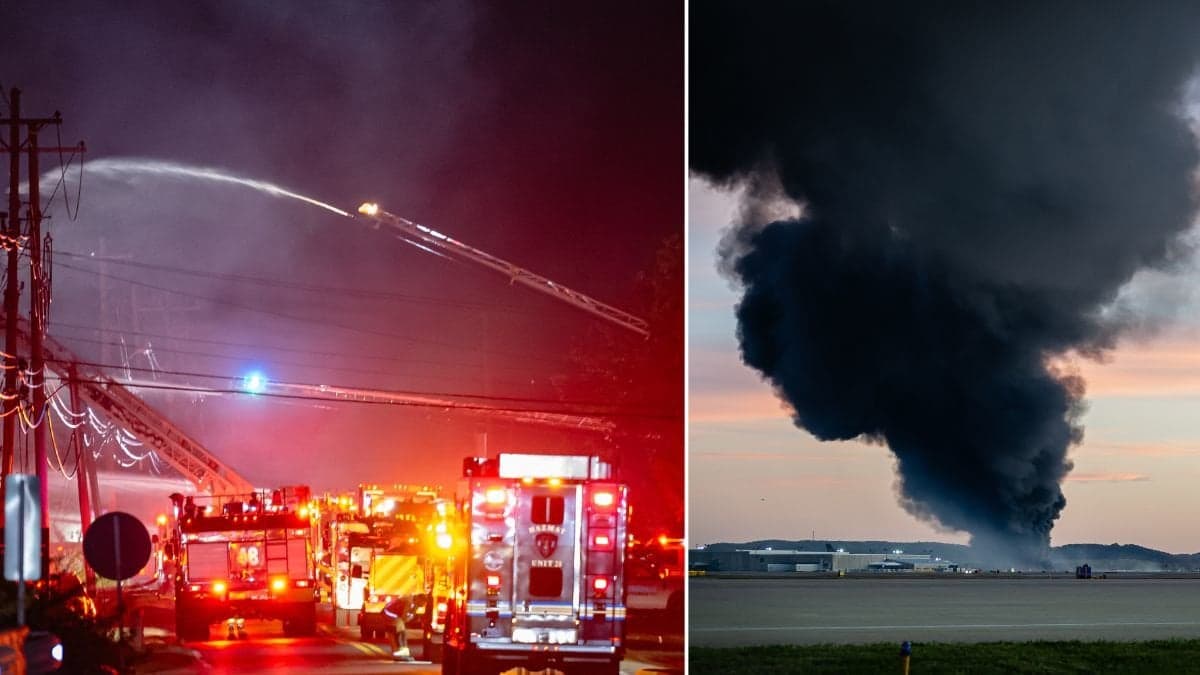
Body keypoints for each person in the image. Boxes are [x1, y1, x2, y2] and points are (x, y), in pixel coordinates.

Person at [382, 595, 413, 661]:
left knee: (393, 634)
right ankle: (400, 654)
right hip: (391, 615)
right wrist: (409, 617)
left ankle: (397, 653)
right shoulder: (409, 602)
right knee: (400, 633)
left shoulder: (408, 600)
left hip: (388, 614)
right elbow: (404, 617)